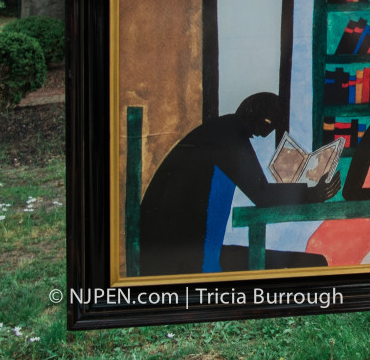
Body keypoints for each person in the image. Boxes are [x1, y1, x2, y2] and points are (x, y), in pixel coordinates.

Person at [139, 92, 342, 276]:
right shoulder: (229, 136)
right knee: (311, 264)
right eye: (269, 123)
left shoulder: (222, 130)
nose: (267, 133)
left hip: (179, 249)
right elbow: (262, 194)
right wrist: (312, 194)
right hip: (180, 258)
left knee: (312, 262)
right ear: (255, 114)